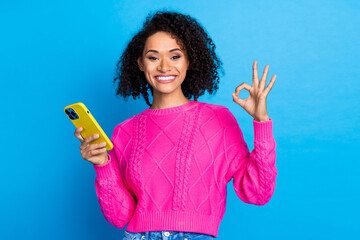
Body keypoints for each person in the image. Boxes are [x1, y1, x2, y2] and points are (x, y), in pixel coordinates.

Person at [74, 10, 277, 240]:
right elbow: (120, 217)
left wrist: (262, 122)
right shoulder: (125, 131)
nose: (163, 66)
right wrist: (102, 165)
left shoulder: (219, 120)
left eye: (175, 56)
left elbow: (258, 193)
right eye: (153, 57)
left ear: (190, 60)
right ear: (140, 63)